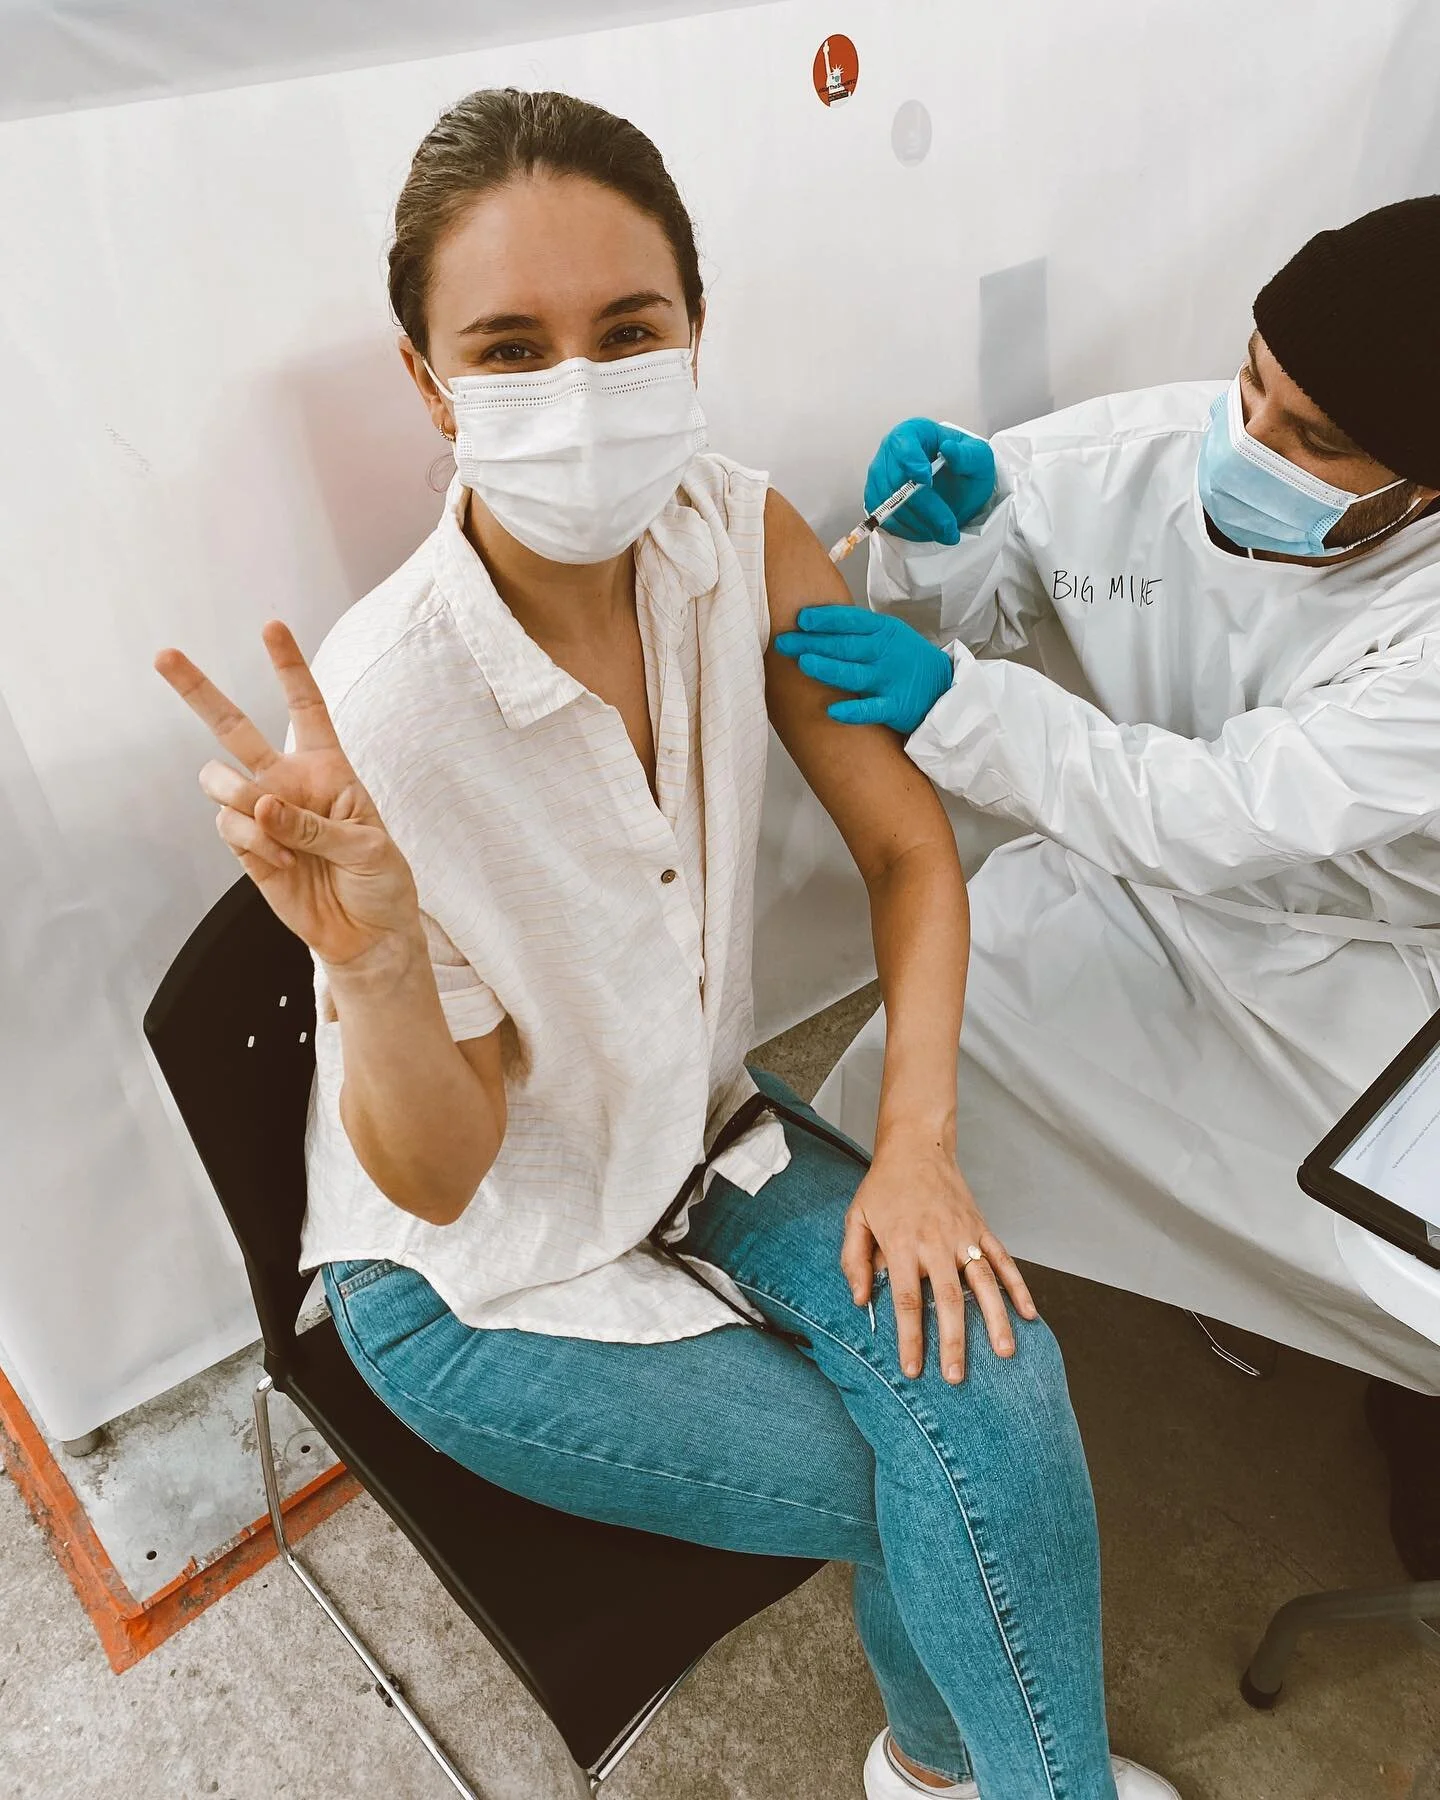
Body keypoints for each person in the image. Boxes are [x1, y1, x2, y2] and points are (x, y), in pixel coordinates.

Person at [154, 88, 1178, 1800]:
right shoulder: (387, 715)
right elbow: (439, 1172)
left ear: (695, 327)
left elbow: (906, 850)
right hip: (484, 1276)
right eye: (510, 348)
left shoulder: (737, 538)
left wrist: (916, 1147)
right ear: (430, 381)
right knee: (949, 1475)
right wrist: (378, 966)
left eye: (627, 332)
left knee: (996, 1383)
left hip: (696, 1142)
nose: (577, 390)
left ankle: (936, 1775)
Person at [776, 197, 1440, 1577]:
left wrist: (960, 706)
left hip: (1358, 967)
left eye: (1316, 439)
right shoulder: (1156, 448)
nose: (1246, 444)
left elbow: (1222, 811)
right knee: (884, 1097)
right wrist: (947, 540)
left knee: (1400, 1275)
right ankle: (824, 1349)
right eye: (1251, 380)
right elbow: (1008, 577)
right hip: (1125, 888)